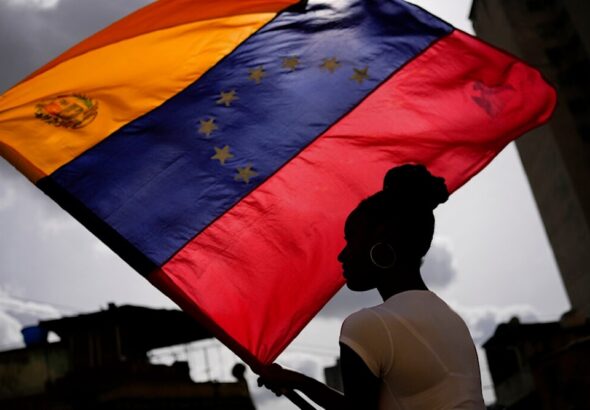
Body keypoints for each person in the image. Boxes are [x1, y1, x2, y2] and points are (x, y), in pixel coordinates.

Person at [257, 164, 486, 409]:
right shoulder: (452, 322)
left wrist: (297, 382)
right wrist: (298, 382)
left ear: (380, 245)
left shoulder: (368, 326)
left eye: (351, 240)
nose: (342, 256)